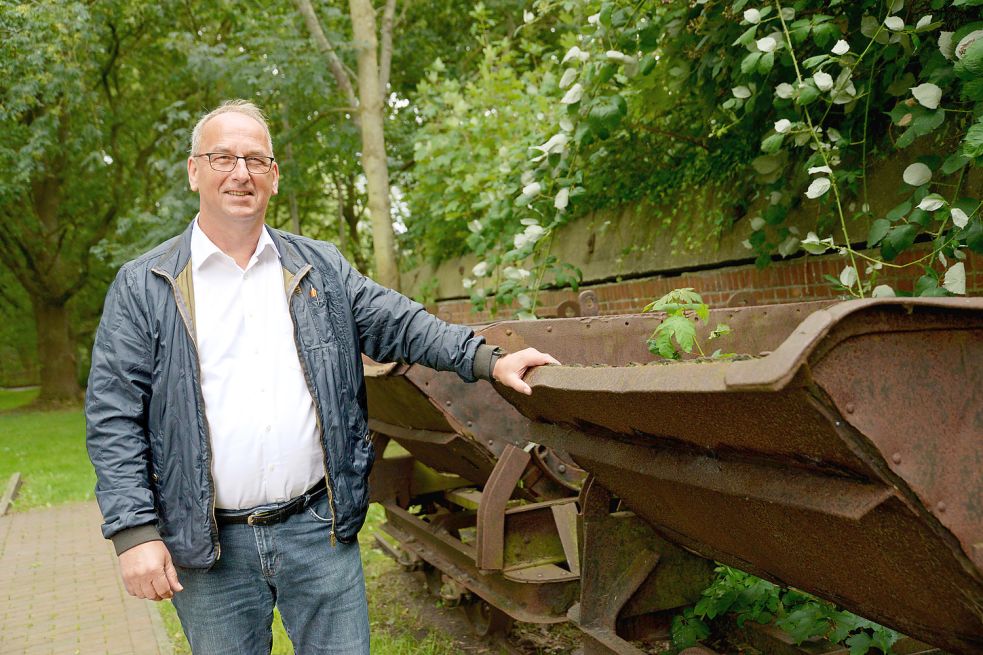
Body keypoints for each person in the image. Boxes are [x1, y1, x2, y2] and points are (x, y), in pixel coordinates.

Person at [85, 99, 559, 654]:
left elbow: (400, 323)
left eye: (256, 160)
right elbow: (114, 415)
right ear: (194, 170)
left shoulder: (319, 268)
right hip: (206, 549)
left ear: (274, 177)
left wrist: (490, 359)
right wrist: (134, 534)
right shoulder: (145, 285)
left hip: (317, 530)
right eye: (222, 158)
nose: (241, 173)